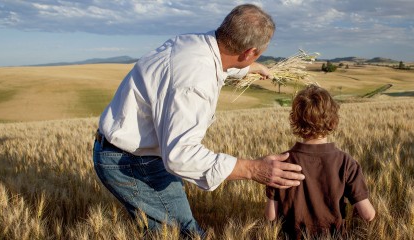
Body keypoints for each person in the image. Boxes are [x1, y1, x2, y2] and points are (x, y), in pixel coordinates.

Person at [92, 4, 305, 237]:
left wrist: (249, 67)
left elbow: (219, 63)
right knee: (186, 234)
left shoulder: (199, 43)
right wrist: (253, 170)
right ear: (248, 51)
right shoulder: (194, 82)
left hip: (129, 152)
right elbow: (180, 156)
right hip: (132, 162)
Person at [264, 84, 375, 239]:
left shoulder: (280, 163)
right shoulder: (346, 163)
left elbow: (271, 216)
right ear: (333, 121)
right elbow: (368, 215)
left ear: (295, 120)